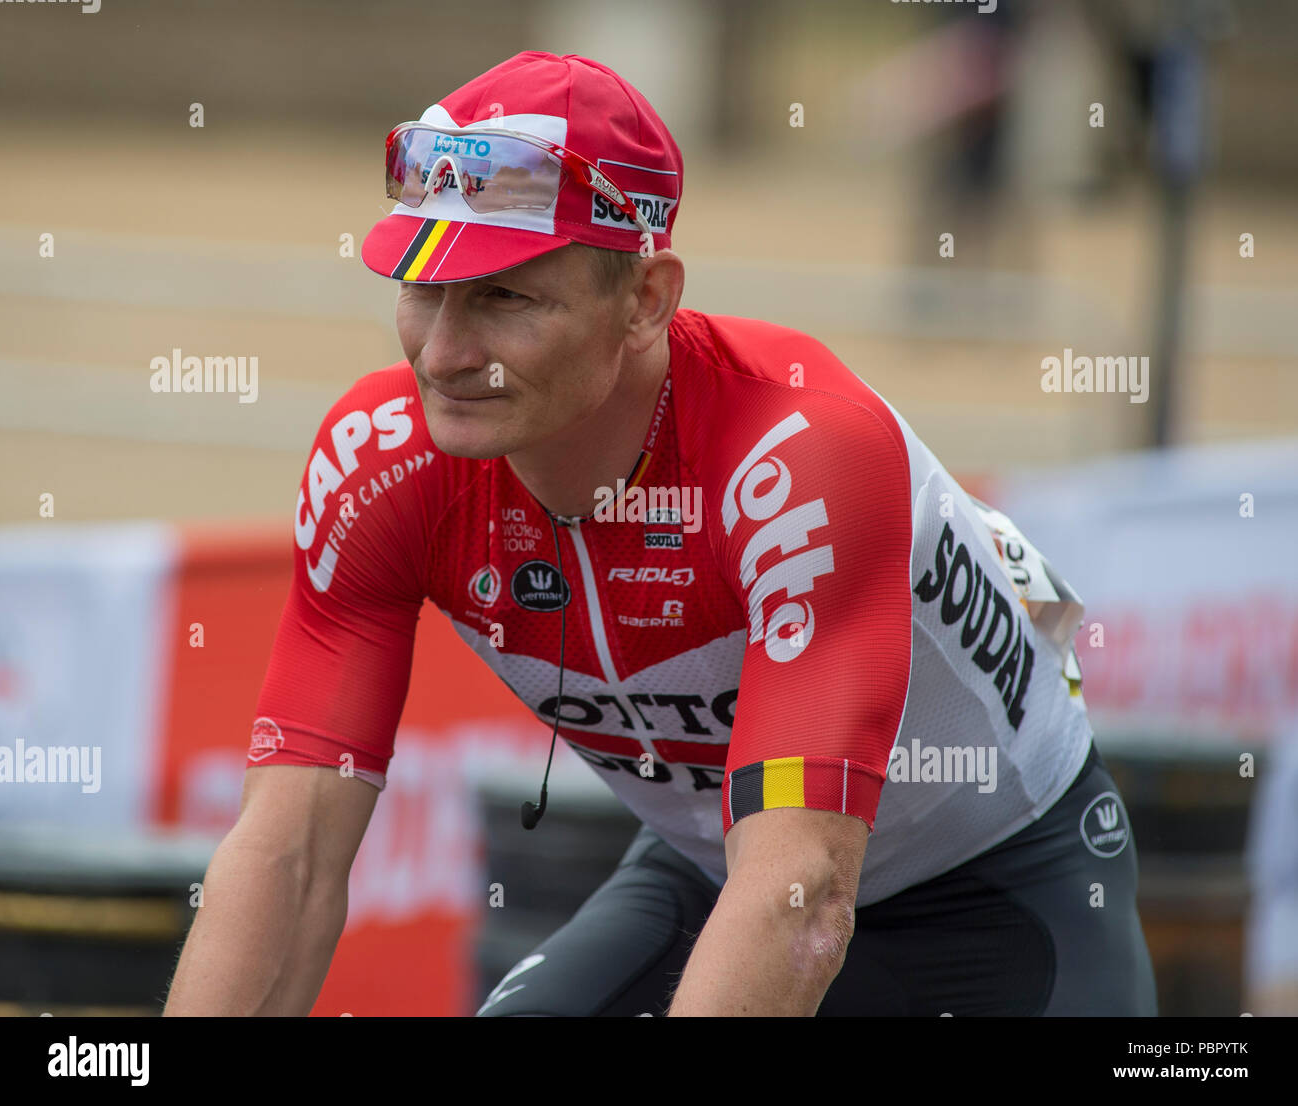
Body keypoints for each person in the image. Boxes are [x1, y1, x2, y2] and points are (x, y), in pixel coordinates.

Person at [163, 51, 1157, 1017]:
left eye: (504, 298)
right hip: (717, 860)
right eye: (423, 291)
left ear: (646, 297)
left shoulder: (798, 459)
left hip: (996, 883)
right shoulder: (381, 460)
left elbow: (801, 897)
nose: (446, 353)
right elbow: (287, 858)